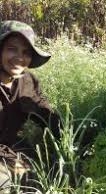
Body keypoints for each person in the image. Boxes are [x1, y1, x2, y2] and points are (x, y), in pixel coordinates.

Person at [0, 20, 61, 191]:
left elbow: (45, 113)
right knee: (3, 181)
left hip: (9, 145)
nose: (19, 58)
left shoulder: (27, 81)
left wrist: (72, 137)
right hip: (4, 151)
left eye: (26, 52)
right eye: (12, 49)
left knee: (44, 173)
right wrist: (11, 161)